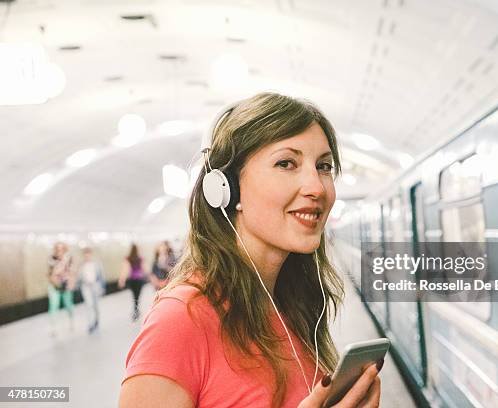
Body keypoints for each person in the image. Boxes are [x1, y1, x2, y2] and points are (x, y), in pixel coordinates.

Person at [119, 93, 382, 407]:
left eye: (323, 166)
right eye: (287, 163)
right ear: (226, 188)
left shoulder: (290, 304)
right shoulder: (181, 320)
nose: (316, 187)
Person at [47, 241, 76, 336]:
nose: (59, 251)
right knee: (53, 306)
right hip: (54, 286)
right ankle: (53, 328)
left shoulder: (69, 259)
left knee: (68, 305)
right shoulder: (51, 259)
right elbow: (50, 273)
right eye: (58, 249)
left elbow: (71, 272)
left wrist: (71, 283)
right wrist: (55, 281)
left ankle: (71, 322)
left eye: (61, 249)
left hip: (66, 285)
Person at [78, 247, 105, 334]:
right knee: (88, 305)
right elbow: (79, 278)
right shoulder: (81, 265)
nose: (87, 256)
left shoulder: (96, 264)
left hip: (95, 286)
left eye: (88, 255)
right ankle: (90, 324)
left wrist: (102, 287)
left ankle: (96, 321)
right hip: (85, 287)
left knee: (95, 306)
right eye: (85, 255)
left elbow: (101, 276)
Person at [118, 244, 148, 321]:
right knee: (137, 296)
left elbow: (125, 270)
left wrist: (122, 280)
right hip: (139, 280)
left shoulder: (128, 258)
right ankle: (136, 309)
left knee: (134, 296)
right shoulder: (140, 258)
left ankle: (136, 310)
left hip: (132, 281)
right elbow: (144, 269)